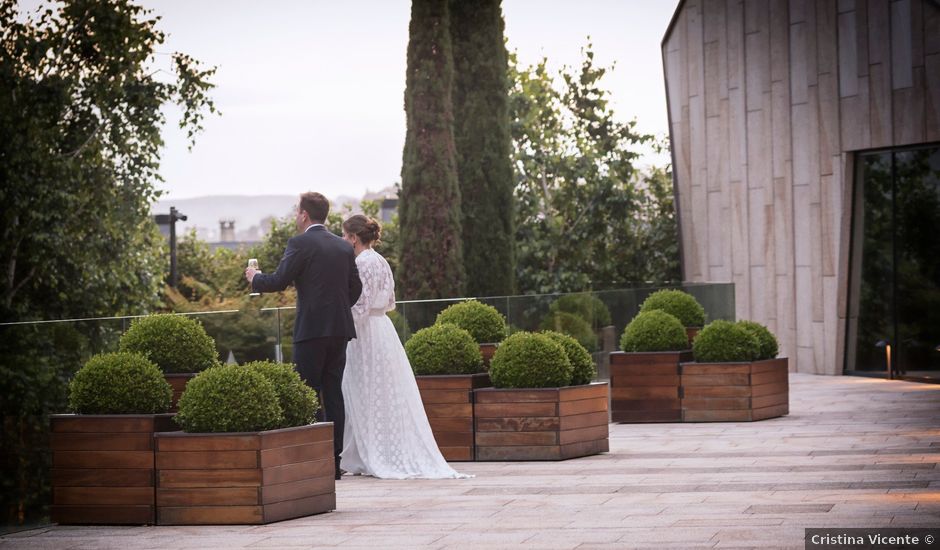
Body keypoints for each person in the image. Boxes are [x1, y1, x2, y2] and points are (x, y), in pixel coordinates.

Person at [339, 214, 470, 479]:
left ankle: (372, 452)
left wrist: (340, 325)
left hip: (364, 333)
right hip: (383, 329)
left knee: (363, 389)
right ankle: (365, 452)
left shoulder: (362, 263)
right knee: (382, 390)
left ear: (353, 238)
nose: (343, 240)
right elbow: (389, 303)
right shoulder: (381, 260)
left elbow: (361, 306)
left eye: (344, 235)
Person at [246, 192, 362, 481]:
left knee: (307, 394)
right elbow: (355, 289)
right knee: (333, 395)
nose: (296, 215)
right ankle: (333, 464)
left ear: (304, 215)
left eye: (297, 211)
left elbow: (279, 280)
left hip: (311, 331)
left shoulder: (299, 243)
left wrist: (254, 278)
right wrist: (336, 310)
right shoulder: (343, 246)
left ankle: (311, 460)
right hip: (339, 330)